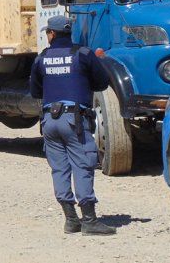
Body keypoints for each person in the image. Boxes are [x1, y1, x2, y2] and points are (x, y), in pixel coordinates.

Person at [29, 15, 116, 236]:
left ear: (52, 34)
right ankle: (89, 220)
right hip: (74, 120)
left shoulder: (42, 58)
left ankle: (70, 220)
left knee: (59, 168)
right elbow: (103, 82)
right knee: (83, 165)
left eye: (47, 32)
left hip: (50, 121)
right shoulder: (84, 54)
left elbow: (35, 91)